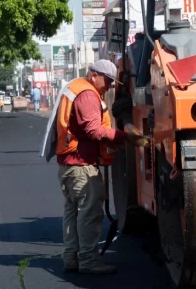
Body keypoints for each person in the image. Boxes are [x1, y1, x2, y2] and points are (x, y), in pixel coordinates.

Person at [40, 59, 148, 275]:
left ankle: (71, 257)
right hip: (81, 166)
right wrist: (123, 136)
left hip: (69, 165)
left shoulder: (75, 88)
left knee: (73, 212)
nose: (108, 86)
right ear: (94, 75)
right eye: (107, 81)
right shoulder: (87, 94)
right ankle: (88, 260)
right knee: (89, 213)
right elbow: (93, 130)